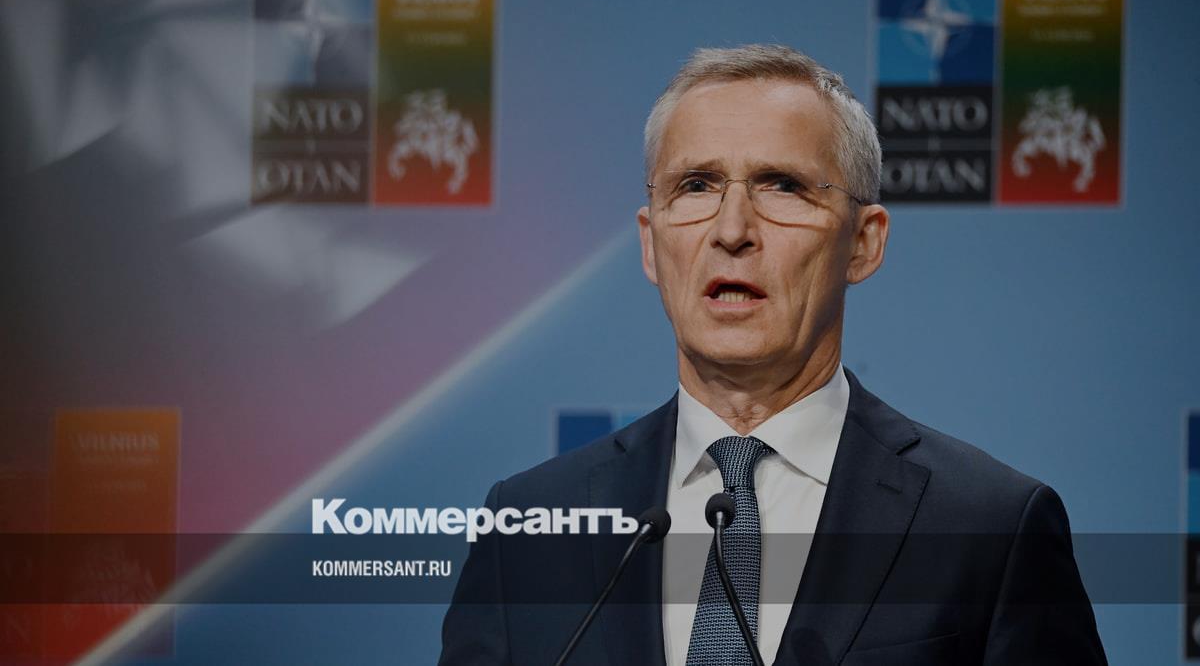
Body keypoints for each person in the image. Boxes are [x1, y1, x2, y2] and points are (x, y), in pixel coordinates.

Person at [439, 44, 1106, 666]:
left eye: (782, 185)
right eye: (696, 186)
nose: (732, 231)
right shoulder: (527, 526)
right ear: (650, 242)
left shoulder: (990, 526)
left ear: (864, 243)